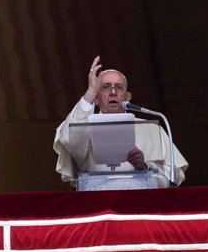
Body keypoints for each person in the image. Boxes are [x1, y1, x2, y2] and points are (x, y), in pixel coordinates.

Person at [54, 56, 188, 187]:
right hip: (95, 200)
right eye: (106, 87)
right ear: (96, 99)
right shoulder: (83, 125)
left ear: (127, 97)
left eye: (118, 87)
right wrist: (91, 90)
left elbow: (175, 175)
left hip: (139, 202)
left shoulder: (152, 128)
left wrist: (145, 166)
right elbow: (68, 139)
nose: (113, 92)